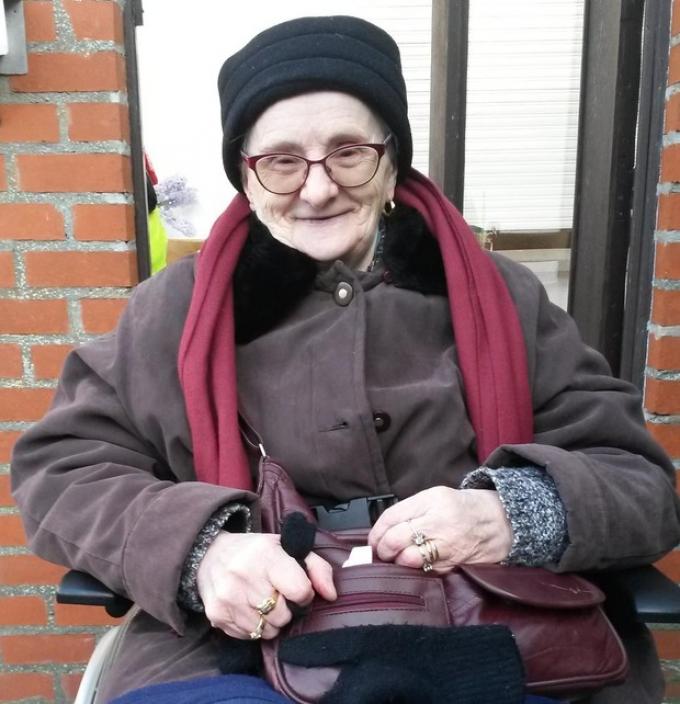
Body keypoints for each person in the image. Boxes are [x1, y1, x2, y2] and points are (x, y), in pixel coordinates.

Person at [10, 15, 680, 704]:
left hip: (490, 622)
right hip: (235, 647)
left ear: (391, 163)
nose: (318, 188)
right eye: (281, 161)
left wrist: (507, 515)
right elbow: (61, 470)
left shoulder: (502, 296)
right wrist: (200, 552)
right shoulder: (172, 310)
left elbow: (638, 484)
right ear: (246, 177)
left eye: (349, 152)